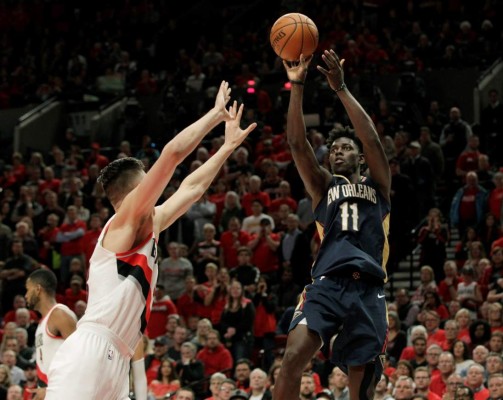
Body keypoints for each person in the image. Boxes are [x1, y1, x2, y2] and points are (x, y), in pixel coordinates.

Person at [44, 81, 256, 399]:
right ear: (133, 192)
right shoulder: (124, 221)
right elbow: (171, 155)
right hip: (91, 348)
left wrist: (225, 148)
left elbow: (191, 189)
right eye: (148, 183)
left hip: (117, 355)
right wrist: (214, 115)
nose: (155, 189)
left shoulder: (148, 225)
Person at [273, 50, 391, 400]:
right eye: (334, 149)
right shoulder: (326, 187)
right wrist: (297, 85)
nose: (338, 152)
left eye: (346, 148)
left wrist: (341, 89)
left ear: (359, 157)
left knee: (362, 390)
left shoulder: (378, 186)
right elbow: (297, 143)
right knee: (292, 358)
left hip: (369, 291)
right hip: (327, 285)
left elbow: (371, 138)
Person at [24, 269, 77, 399]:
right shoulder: (42, 323)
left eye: (27, 289)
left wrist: (51, 391)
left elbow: (82, 358)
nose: (25, 295)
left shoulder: (59, 315)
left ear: (38, 289)